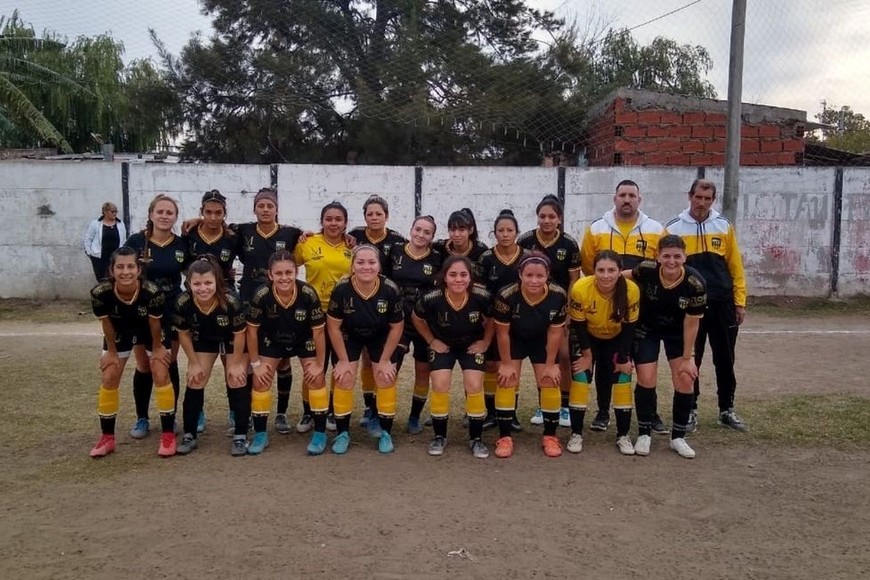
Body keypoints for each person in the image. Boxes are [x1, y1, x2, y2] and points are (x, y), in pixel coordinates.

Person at [579, 179, 667, 434]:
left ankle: (650, 413)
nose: (626, 199)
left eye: (631, 195)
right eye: (622, 195)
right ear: (614, 198)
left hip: (644, 308)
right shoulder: (596, 229)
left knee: (644, 363)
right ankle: (604, 411)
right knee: (608, 362)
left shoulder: (654, 229)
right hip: (609, 310)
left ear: (640, 199)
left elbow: (659, 267)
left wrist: (628, 277)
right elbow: (587, 267)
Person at [665, 179, 748, 433]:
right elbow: (667, 267)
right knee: (691, 359)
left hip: (722, 304)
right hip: (690, 308)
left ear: (713, 200)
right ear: (689, 196)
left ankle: (727, 409)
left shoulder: (723, 226)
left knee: (725, 359)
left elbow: (735, 265)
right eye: (698, 197)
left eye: (707, 199)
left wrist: (739, 300)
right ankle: (690, 410)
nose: (702, 203)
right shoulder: (673, 228)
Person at [88, 247, 176, 457]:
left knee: (160, 371)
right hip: (120, 332)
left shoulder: (152, 291)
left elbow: (155, 323)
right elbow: (106, 323)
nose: (125, 272)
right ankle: (107, 438)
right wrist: (110, 352)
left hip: (150, 332)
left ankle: (168, 434)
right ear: (111, 269)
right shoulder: (100, 293)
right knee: (109, 375)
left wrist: (156, 349)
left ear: (139, 270)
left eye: (130, 266)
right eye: (120, 267)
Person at [626, 235, 707, 459]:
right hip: (647, 329)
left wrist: (688, 357)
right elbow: (622, 277)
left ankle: (678, 437)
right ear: (658, 256)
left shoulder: (695, 283)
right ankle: (644, 433)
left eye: (677, 256)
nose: (672, 261)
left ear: (685, 257)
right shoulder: (647, 269)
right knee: (646, 377)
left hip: (677, 333)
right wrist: (599, 282)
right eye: (666, 256)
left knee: (685, 377)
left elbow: (692, 322)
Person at [245, 251, 327, 455]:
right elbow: (252, 331)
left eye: (289, 272)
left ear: (296, 272)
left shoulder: (308, 293)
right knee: (260, 380)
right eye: (278, 273)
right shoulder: (261, 294)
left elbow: (318, 333)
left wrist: (320, 364)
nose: (284, 277)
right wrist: (255, 364)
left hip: (303, 339)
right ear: (271, 275)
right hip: (272, 340)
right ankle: (261, 434)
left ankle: (320, 433)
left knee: (316, 378)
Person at [412, 255, 494, 458]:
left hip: (470, 346)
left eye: (464, 275)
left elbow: (494, 319)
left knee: (474, 384)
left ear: (470, 277)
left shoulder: (481, 296)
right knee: (440, 383)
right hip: (444, 346)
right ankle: (439, 436)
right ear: (445, 277)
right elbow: (416, 317)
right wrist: (431, 341)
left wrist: (485, 342)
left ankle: (476, 439)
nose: (459, 279)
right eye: (453, 275)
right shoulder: (433, 298)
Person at [326, 245, 405, 454]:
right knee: (344, 377)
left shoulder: (390, 288)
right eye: (360, 262)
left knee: (386, 376)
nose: (366, 267)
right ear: (352, 266)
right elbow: (333, 327)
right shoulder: (342, 288)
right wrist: (343, 361)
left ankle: (385, 432)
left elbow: (397, 327)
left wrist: (386, 359)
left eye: (371, 262)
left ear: (379, 266)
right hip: (349, 334)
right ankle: (343, 433)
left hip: (380, 336)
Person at [124, 194, 190, 439]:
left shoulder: (181, 245)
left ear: (175, 217)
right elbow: (124, 271)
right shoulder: (135, 241)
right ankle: (142, 417)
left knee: (168, 362)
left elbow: (192, 274)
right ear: (151, 214)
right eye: (160, 211)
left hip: (171, 310)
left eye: (169, 212)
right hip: (140, 311)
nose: (164, 216)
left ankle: (170, 416)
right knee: (144, 365)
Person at [491, 252, 568, 458]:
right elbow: (502, 332)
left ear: (547, 275)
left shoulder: (558, 294)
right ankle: (505, 437)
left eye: (539, 276)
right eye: (529, 275)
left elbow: (555, 332)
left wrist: (551, 364)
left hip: (541, 339)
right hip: (514, 338)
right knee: (507, 380)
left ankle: (550, 436)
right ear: (520, 274)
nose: (534, 281)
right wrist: (506, 363)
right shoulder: (506, 295)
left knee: (550, 380)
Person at [171, 255, 247, 456]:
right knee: (195, 378)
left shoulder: (230, 301)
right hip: (204, 340)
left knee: (236, 378)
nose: (203, 288)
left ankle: (240, 435)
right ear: (188, 282)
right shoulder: (182, 301)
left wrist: (237, 363)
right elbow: (184, 334)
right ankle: (189, 435)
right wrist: (194, 363)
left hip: (232, 340)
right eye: (197, 283)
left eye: (208, 283)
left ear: (217, 282)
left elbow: (240, 335)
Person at [568, 250, 640, 455]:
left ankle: (623, 435)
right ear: (594, 271)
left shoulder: (631, 290)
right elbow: (579, 327)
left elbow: (629, 328)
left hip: (617, 338)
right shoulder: (581, 288)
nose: (606, 275)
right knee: (581, 377)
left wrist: (624, 358)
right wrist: (587, 356)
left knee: (623, 377)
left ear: (620, 271)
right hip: (587, 337)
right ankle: (576, 434)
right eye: (601, 270)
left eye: (611, 270)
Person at [517, 195, 580, 428]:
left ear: (559, 218)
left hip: (558, 309)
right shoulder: (525, 240)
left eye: (551, 216)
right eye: (542, 216)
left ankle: (564, 406)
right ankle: (544, 404)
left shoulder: (569, 244)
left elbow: (575, 280)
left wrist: (569, 311)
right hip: (531, 308)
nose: (546, 220)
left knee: (563, 356)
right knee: (541, 357)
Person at [347, 195, 406, 434]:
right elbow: (329, 236)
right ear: (364, 217)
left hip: (385, 304)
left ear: (386, 216)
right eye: (369, 214)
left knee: (379, 361)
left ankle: (377, 409)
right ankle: (369, 407)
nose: (374, 218)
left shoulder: (397, 240)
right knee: (363, 358)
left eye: (378, 214)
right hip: (359, 302)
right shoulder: (353, 236)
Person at [294, 201, 353, 434]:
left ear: (345, 223)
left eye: (338, 219)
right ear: (322, 221)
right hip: (312, 313)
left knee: (339, 364)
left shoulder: (352, 247)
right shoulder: (307, 243)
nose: (333, 223)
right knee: (314, 364)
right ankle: (309, 412)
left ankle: (330, 410)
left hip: (343, 314)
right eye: (329, 219)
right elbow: (288, 263)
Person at [184, 189, 239, 435]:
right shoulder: (190, 234)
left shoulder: (232, 236)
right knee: (198, 364)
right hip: (199, 300)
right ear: (201, 212)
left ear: (225, 214)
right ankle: (197, 413)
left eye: (218, 212)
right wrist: (194, 222)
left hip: (226, 299)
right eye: (208, 212)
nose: (213, 217)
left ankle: (235, 411)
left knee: (233, 364)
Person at [390, 215, 443, 434]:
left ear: (432, 237)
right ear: (411, 229)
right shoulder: (395, 251)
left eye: (427, 232)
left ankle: (414, 417)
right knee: (391, 368)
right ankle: (382, 414)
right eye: (418, 229)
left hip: (424, 321)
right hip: (397, 320)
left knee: (423, 370)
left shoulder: (437, 257)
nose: (421, 235)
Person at [477, 209, 526, 431]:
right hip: (490, 319)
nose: (505, 234)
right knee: (490, 365)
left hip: (516, 320)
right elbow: (478, 289)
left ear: (517, 232)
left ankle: (510, 412)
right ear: (494, 233)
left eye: (510, 230)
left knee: (511, 365)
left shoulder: (526, 257)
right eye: (500, 230)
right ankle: (491, 413)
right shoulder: (486, 258)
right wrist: (484, 315)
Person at [434, 208, 488, 278]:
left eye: (462, 230)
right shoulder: (439, 248)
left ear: (470, 230)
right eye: (453, 230)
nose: (457, 234)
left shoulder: (481, 251)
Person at [83, 202, 127, 282]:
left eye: (116, 212)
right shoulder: (95, 224)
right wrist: (89, 252)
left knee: (115, 279)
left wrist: (122, 253)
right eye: (112, 212)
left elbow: (124, 239)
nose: (115, 214)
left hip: (115, 257)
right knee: (102, 280)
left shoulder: (120, 224)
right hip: (99, 258)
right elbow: (88, 238)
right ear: (105, 212)